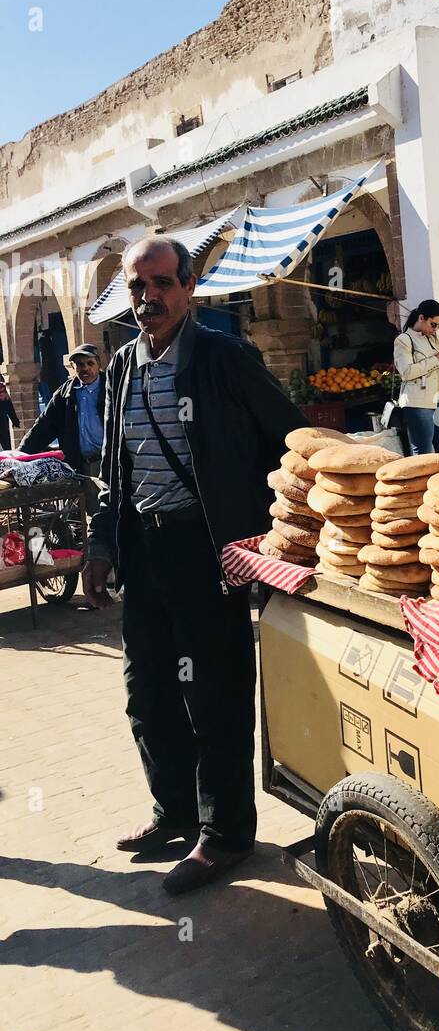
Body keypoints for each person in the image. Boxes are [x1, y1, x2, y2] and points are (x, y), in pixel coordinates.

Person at [84, 237, 305, 896]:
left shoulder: (224, 357)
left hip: (208, 553)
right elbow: (114, 469)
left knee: (215, 695)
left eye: (160, 284)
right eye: (136, 288)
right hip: (143, 550)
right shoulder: (122, 364)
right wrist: (101, 546)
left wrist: (267, 537)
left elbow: (288, 439)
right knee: (147, 693)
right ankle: (174, 813)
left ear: (188, 287)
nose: (148, 298)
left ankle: (226, 833)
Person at [20, 343, 105, 475]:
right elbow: (43, 427)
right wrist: (20, 455)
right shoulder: (64, 394)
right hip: (79, 466)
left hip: (108, 463)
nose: (85, 368)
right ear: (72, 366)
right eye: (80, 364)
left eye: (90, 363)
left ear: (99, 363)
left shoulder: (112, 388)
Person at [393, 299, 439, 455]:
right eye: (433, 324)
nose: (435, 329)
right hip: (418, 402)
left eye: (438, 325)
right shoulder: (404, 340)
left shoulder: (432, 339)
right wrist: (436, 358)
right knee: (424, 454)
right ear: (421, 318)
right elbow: (407, 372)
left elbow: (437, 374)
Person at [0, 377, 19, 451]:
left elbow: (9, 405)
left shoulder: (2, 388)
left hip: (2, 422)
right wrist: (14, 420)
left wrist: (14, 420)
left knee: (6, 445)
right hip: (3, 422)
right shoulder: (2, 388)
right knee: (6, 445)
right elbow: (9, 406)